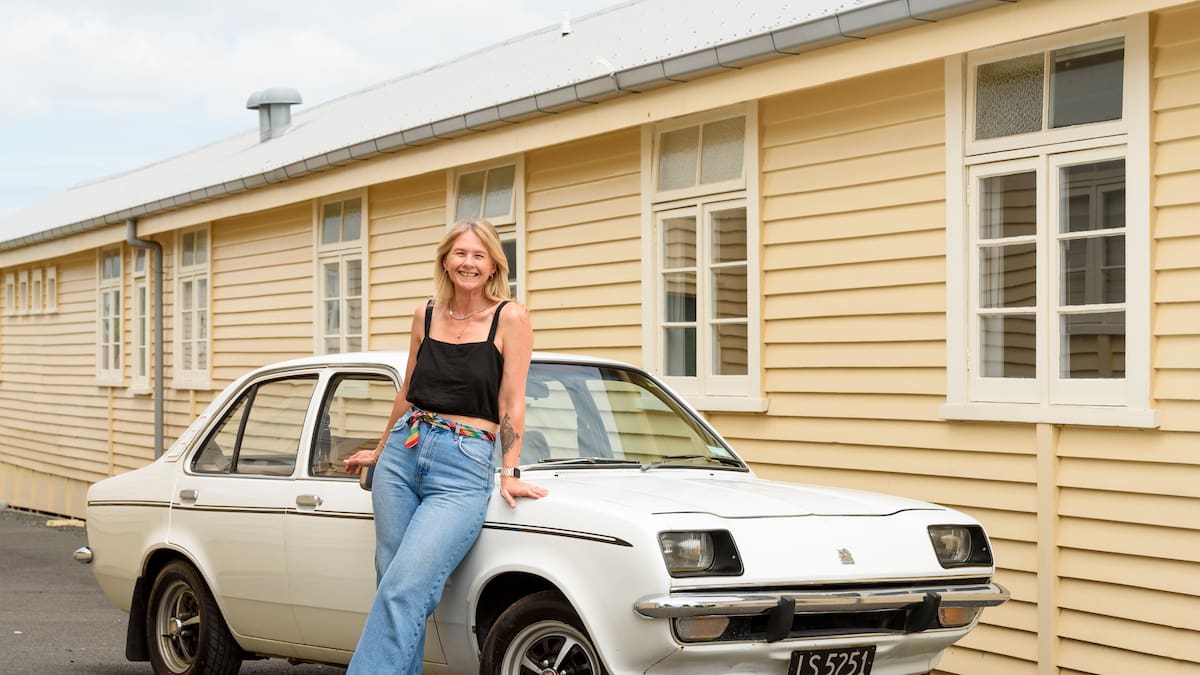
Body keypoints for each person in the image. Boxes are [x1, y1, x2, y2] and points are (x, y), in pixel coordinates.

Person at [342, 217, 548, 674]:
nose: (469, 263)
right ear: (446, 260)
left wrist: (510, 471)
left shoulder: (510, 317)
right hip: (403, 453)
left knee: (405, 588)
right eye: (460, 253)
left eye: (479, 255)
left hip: (462, 464)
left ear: (494, 264)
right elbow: (408, 390)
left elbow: (512, 400)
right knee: (393, 586)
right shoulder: (426, 314)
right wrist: (380, 450)